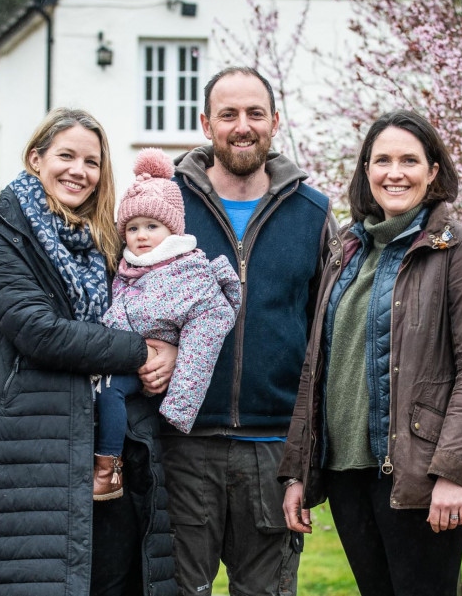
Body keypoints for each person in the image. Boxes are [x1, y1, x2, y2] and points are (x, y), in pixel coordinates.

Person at [278, 109, 462, 596]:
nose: (394, 172)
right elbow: (316, 369)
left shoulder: (459, 250)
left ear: (433, 171)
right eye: (382, 160)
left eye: (409, 160)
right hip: (346, 473)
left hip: (418, 473)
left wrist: (451, 472)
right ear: (366, 171)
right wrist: (299, 470)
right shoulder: (347, 251)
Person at [0, 107, 179, 596]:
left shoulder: (109, 244)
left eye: (92, 162)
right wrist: (140, 351)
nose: (79, 171)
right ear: (35, 158)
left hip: (117, 452)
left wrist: (170, 347)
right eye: (66, 156)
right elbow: (41, 333)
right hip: (37, 451)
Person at [163, 67, 336, 595]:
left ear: (275, 121)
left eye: (255, 113)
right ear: (205, 123)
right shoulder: (165, 205)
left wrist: (307, 456)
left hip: (273, 450)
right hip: (183, 444)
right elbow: (128, 296)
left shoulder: (312, 212)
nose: (243, 126)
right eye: (229, 114)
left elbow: (323, 340)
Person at [94, 148, 241, 501]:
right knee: (104, 391)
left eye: (152, 226)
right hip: (128, 360)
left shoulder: (187, 268)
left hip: (166, 373)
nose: (141, 236)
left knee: (113, 392)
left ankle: (108, 465)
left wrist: (180, 400)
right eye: (132, 228)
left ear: (171, 228)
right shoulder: (124, 268)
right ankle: (107, 462)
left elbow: (207, 324)